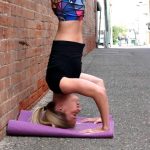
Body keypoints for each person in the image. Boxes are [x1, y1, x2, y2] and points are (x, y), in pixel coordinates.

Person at [32, 0, 110, 133]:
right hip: (71, 11)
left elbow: (99, 93)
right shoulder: (66, 80)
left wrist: (105, 128)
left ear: (60, 108)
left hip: (69, 9)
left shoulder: (60, 84)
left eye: (74, 114)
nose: (79, 110)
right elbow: (99, 83)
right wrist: (101, 117)